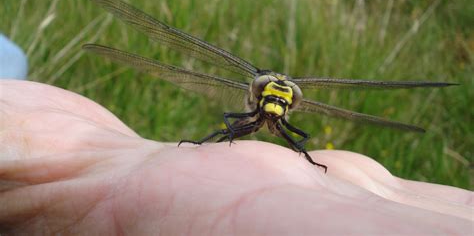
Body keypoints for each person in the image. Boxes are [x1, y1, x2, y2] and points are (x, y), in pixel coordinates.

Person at [0, 80, 471, 234]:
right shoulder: (255, 106)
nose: (271, 111)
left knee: (293, 141)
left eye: (280, 103)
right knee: (230, 129)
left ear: (287, 101)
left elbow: (292, 133)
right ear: (261, 94)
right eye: (268, 100)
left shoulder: (284, 116)